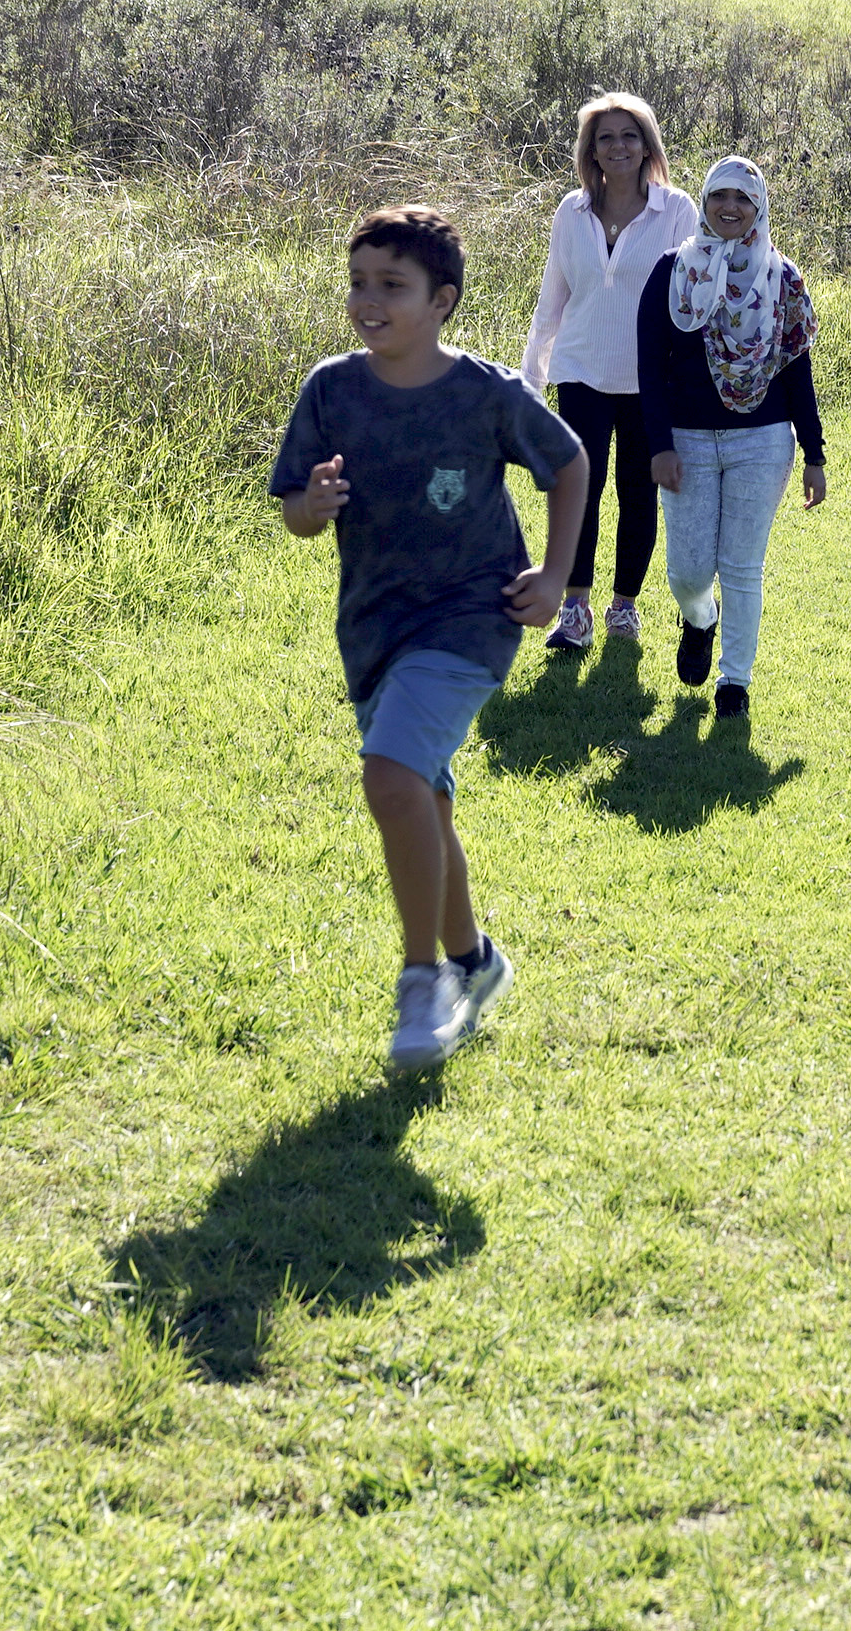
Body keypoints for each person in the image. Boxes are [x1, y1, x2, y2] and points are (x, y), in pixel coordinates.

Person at [271, 205, 587, 1072]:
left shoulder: (484, 393)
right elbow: (295, 509)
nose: (368, 301)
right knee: (425, 798)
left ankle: (424, 984)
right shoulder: (332, 390)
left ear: (441, 300)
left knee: (392, 777)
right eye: (359, 283)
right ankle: (477, 962)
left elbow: (568, 464)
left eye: (392, 287)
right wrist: (316, 507)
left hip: (472, 615)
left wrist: (557, 577)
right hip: (375, 625)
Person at [634, 155, 827, 719]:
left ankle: (734, 683)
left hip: (762, 441)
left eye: (742, 198)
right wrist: (660, 445)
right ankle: (699, 618)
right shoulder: (672, 272)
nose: (729, 207)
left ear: (759, 207)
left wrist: (814, 453)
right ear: (703, 201)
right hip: (687, 442)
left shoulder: (782, 277)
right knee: (688, 571)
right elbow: (650, 368)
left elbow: (797, 369)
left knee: (742, 566)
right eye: (720, 195)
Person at [518, 92, 699, 652]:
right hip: (581, 372)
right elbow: (553, 300)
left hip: (652, 381)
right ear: (591, 151)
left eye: (628, 135)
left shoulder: (677, 211)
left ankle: (624, 607)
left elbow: (690, 304)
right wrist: (531, 381)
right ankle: (575, 610)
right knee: (579, 489)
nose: (617, 146)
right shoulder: (570, 212)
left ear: (647, 145)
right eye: (605, 138)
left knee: (638, 495)